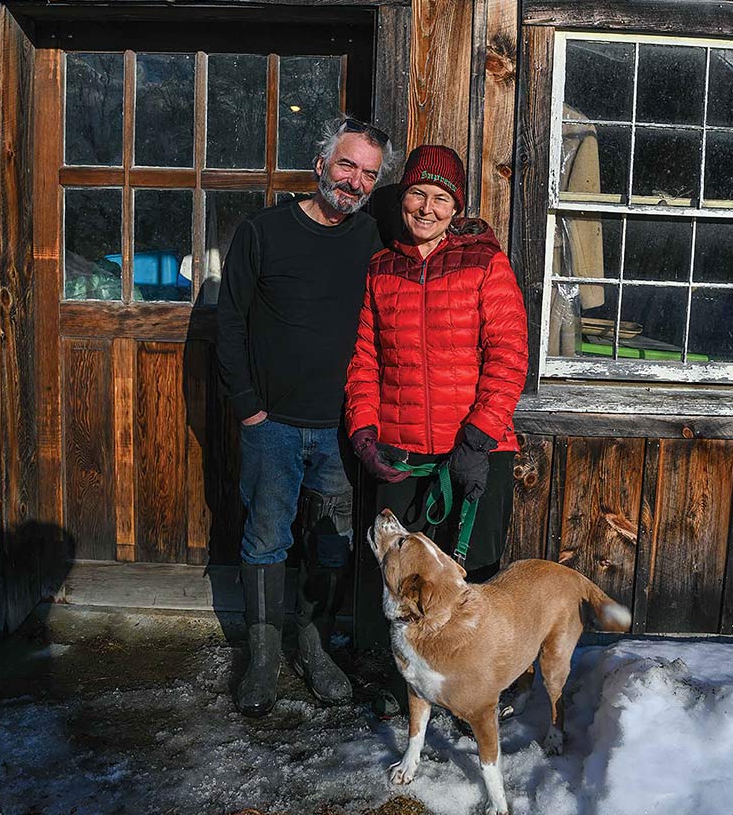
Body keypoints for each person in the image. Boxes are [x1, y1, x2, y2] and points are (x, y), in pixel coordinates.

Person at [216, 117, 392, 717]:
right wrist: (249, 409)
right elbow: (230, 323)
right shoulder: (263, 231)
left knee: (333, 543)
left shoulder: (370, 236)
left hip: (342, 427)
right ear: (320, 164)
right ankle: (263, 657)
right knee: (266, 536)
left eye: (369, 174)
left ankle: (315, 646)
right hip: (274, 425)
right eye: (348, 166)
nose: (356, 181)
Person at [345, 144, 529, 679]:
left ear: (457, 207)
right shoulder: (381, 269)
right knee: (399, 577)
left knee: (478, 576)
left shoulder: (484, 263)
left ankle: (485, 680)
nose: (427, 207)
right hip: (401, 454)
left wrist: (477, 440)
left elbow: (509, 353)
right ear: (404, 198)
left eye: (441, 198)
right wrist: (364, 433)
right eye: (418, 194)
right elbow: (364, 358)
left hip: (476, 450)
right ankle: (405, 679)